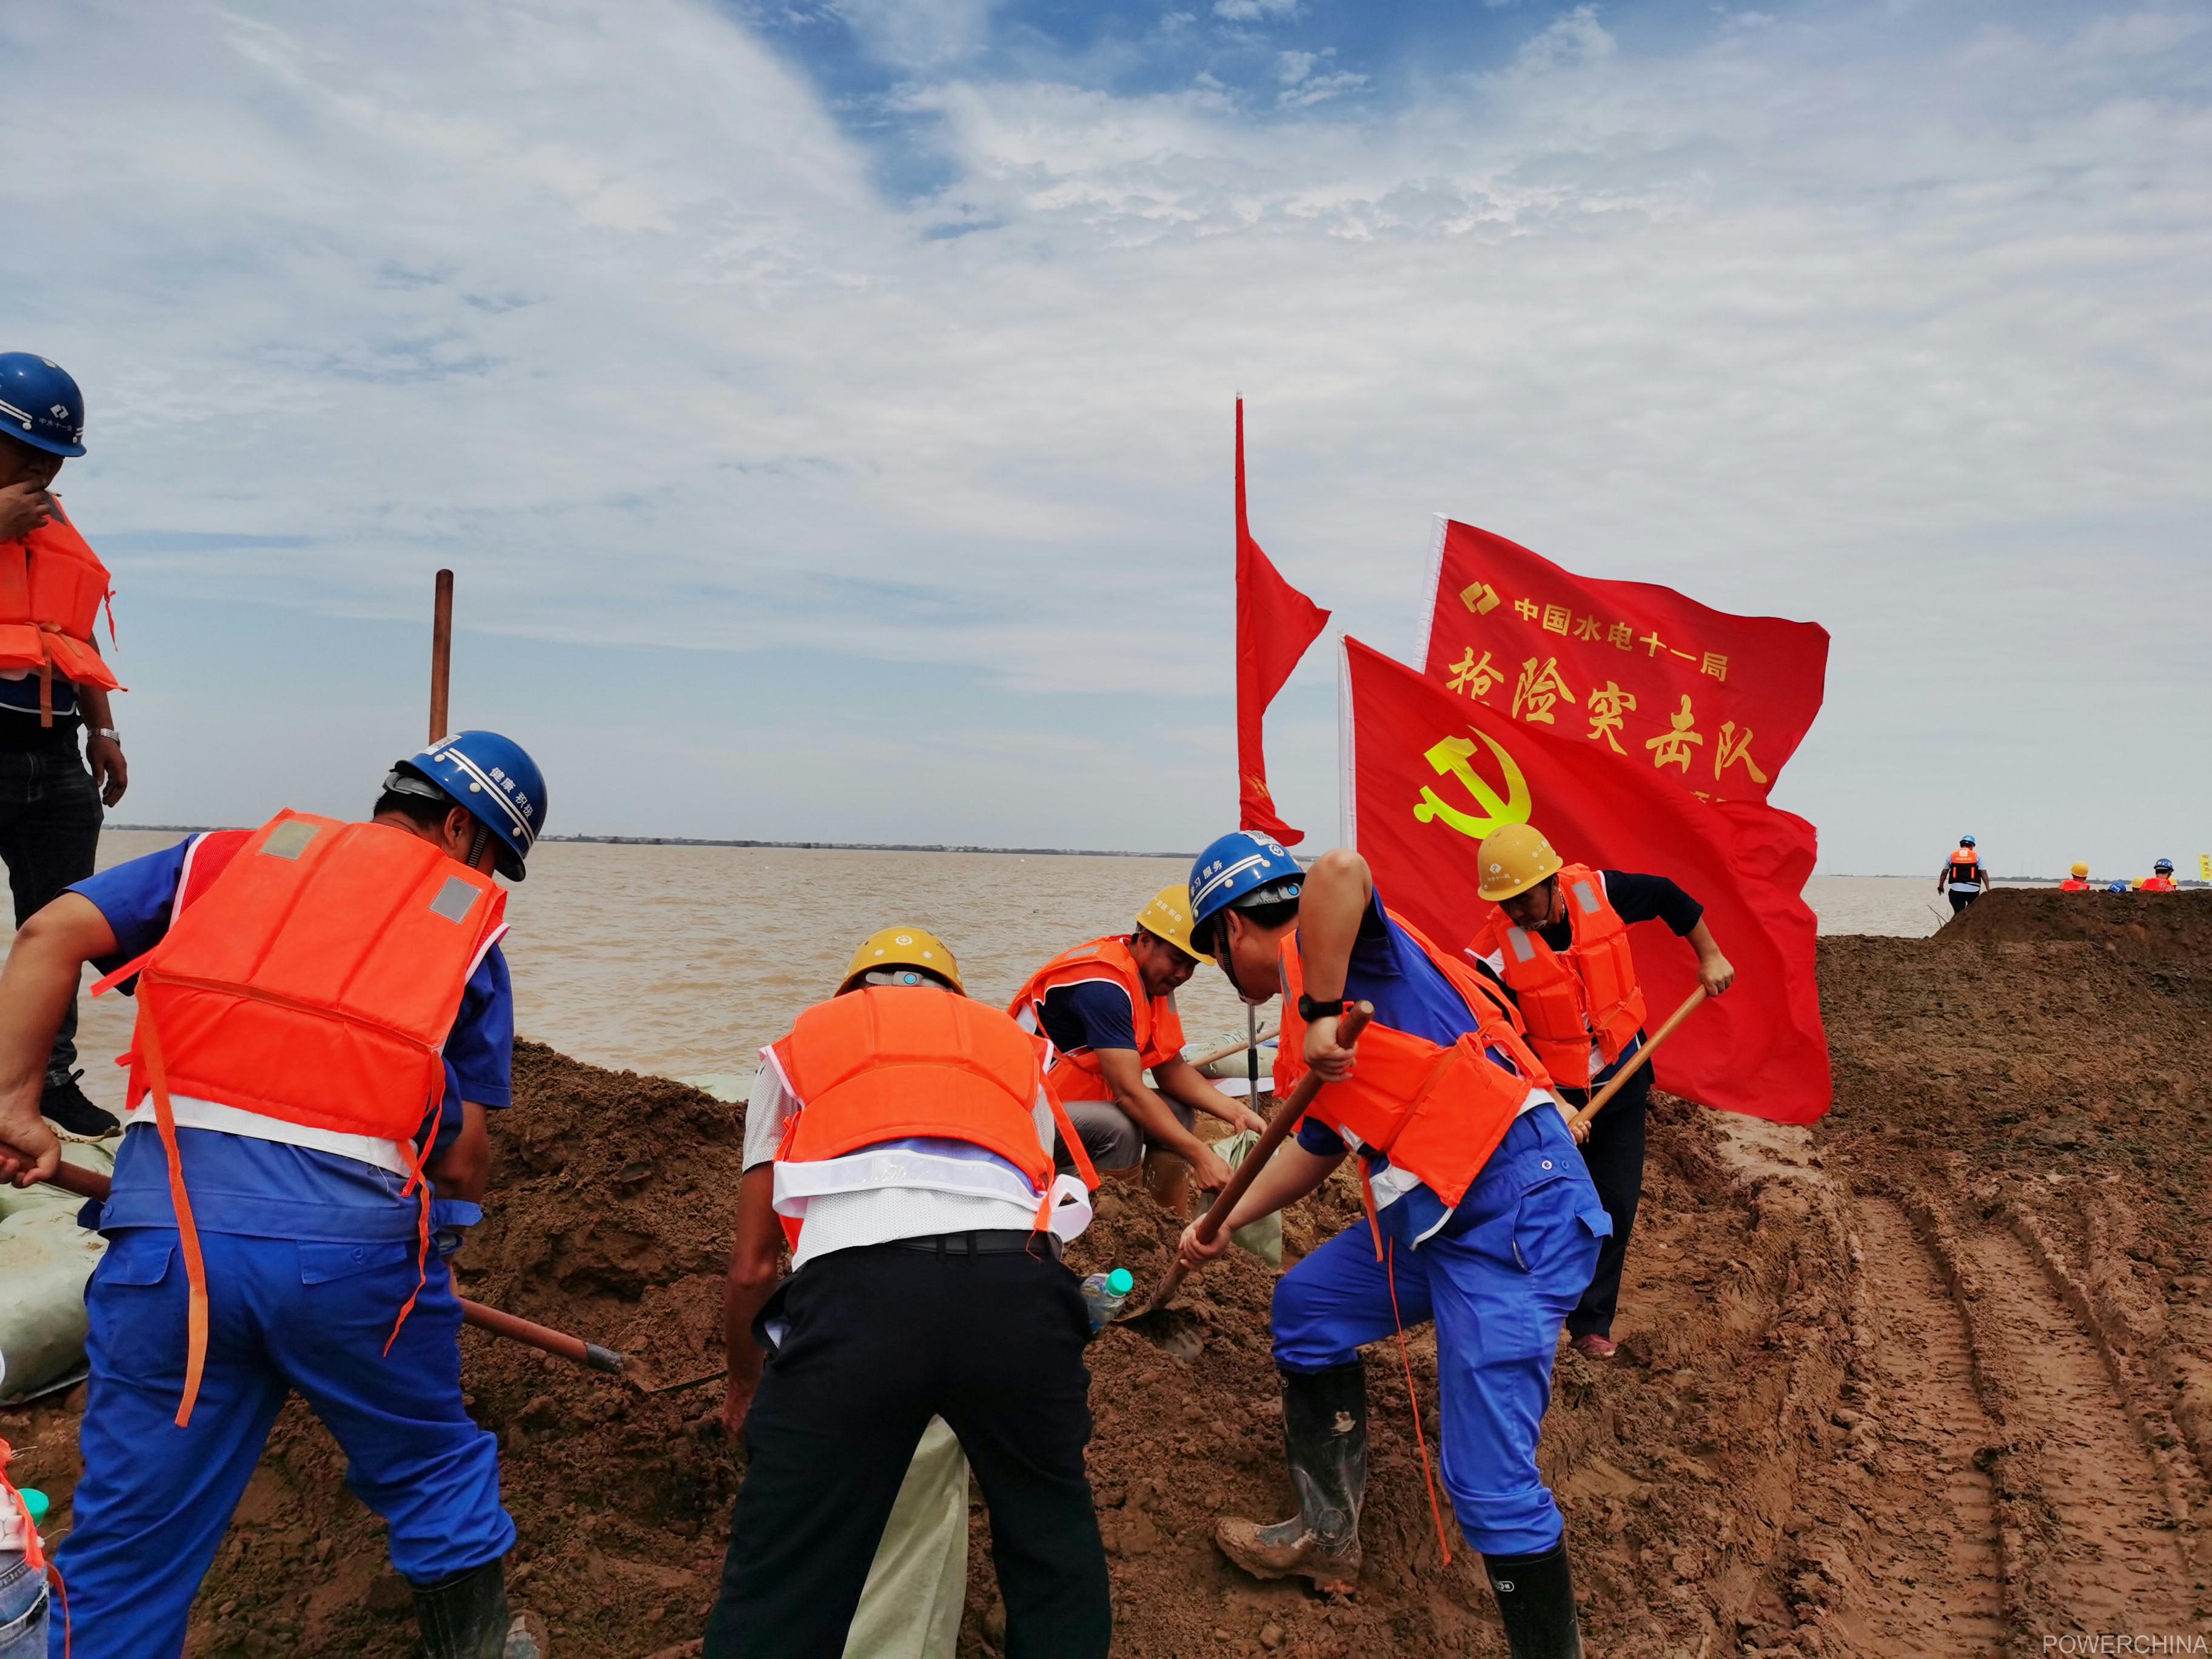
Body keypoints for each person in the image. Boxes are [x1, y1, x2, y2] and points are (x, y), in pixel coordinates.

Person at [0, 731, 551, 1659]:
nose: (486, 877)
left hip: (167, 1255)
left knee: (126, 1552)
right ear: (462, 829)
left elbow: (48, 932)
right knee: (434, 1472)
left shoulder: (226, 859)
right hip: (352, 1265)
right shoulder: (467, 925)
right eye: (494, 856)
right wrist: (440, 1250)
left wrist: (16, 1105)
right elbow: (462, 1160)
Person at [1177, 831, 1608, 1659]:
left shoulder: (1339, 959)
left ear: (1230, 931)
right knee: (1307, 1308)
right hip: (1440, 1222)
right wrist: (1224, 1219)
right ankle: (1327, 1535)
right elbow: (1315, 1147)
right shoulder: (1321, 1016)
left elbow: (1341, 870)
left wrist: (1316, 1014)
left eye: (1215, 955)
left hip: (1513, 1218)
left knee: (1489, 1488)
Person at [705, 926, 1110, 1659]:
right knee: (1053, 1544)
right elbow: (1042, 1207)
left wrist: (745, 1382)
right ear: (957, 1002)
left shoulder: (804, 1046)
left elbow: (754, 1267)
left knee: (784, 1574)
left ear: (853, 996)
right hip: (1019, 1292)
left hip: (859, 1300)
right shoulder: (1010, 1048)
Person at [1464, 824, 1734, 1360]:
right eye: (1506, 903)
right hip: (1551, 1097)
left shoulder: (1599, 893)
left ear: (1551, 882)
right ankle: (1530, 1317)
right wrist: (1555, 1101)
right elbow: (1497, 1037)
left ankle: (1591, 1323)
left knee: (1615, 1204)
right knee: (1545, 1207)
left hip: (1623, 1076)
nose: (1517, 912)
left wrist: (1711, 955)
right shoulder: (1493, 953)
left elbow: (1668, 897)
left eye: (1524, 899)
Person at [0, 353, 130, 1138]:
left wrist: (104, 731)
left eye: (55, 458)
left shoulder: (55, 528)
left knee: (60, 923)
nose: (43, 471)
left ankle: (46, 1082)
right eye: (27, 451)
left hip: (54, 752)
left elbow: (71, 633)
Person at [1008, 885, 1264, 1210]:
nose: (1183, 974)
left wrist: (1238, 1113)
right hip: (1023, 1116)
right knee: (1120, 1129)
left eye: (1192, 965)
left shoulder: (1151, 982)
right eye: (1177, 960)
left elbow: (1171, 1070)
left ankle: (1165, 1220)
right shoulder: (1104, 988)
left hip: (1068, 1105)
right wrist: (1200, 1155)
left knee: (1179, 1113)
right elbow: (1128, 1093)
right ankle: (1115, 1226)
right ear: (1144, 940)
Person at [1938, 836, 1988, 915]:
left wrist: (1941, 886)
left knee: (1959, 914)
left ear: (1961, 845)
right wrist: (1988, 888)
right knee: (1971, 914)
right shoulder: (1977, 856)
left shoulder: (1952, 855)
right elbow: (1983, 872)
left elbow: (1945, 872)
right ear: (1972, 846)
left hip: (1956, 891)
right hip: (1973, 891)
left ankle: (1957, 920)